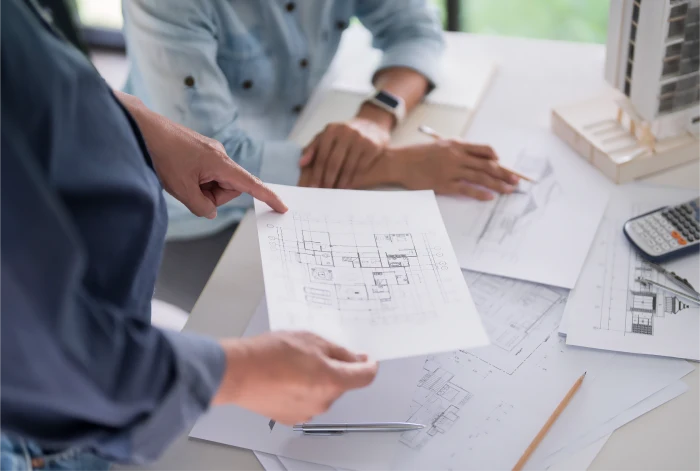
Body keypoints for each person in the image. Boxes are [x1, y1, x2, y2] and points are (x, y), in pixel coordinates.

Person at [0, 1, 378, 469]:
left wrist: (136, 120)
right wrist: (240, 372)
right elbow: (36, 346)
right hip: (46, 433)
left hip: (107, 374)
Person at [123, 0, 520, 242]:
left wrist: (377, 115)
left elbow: (414, 29)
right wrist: (399, 165)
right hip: (184, 218)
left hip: (299, 148)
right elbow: (209, 167)